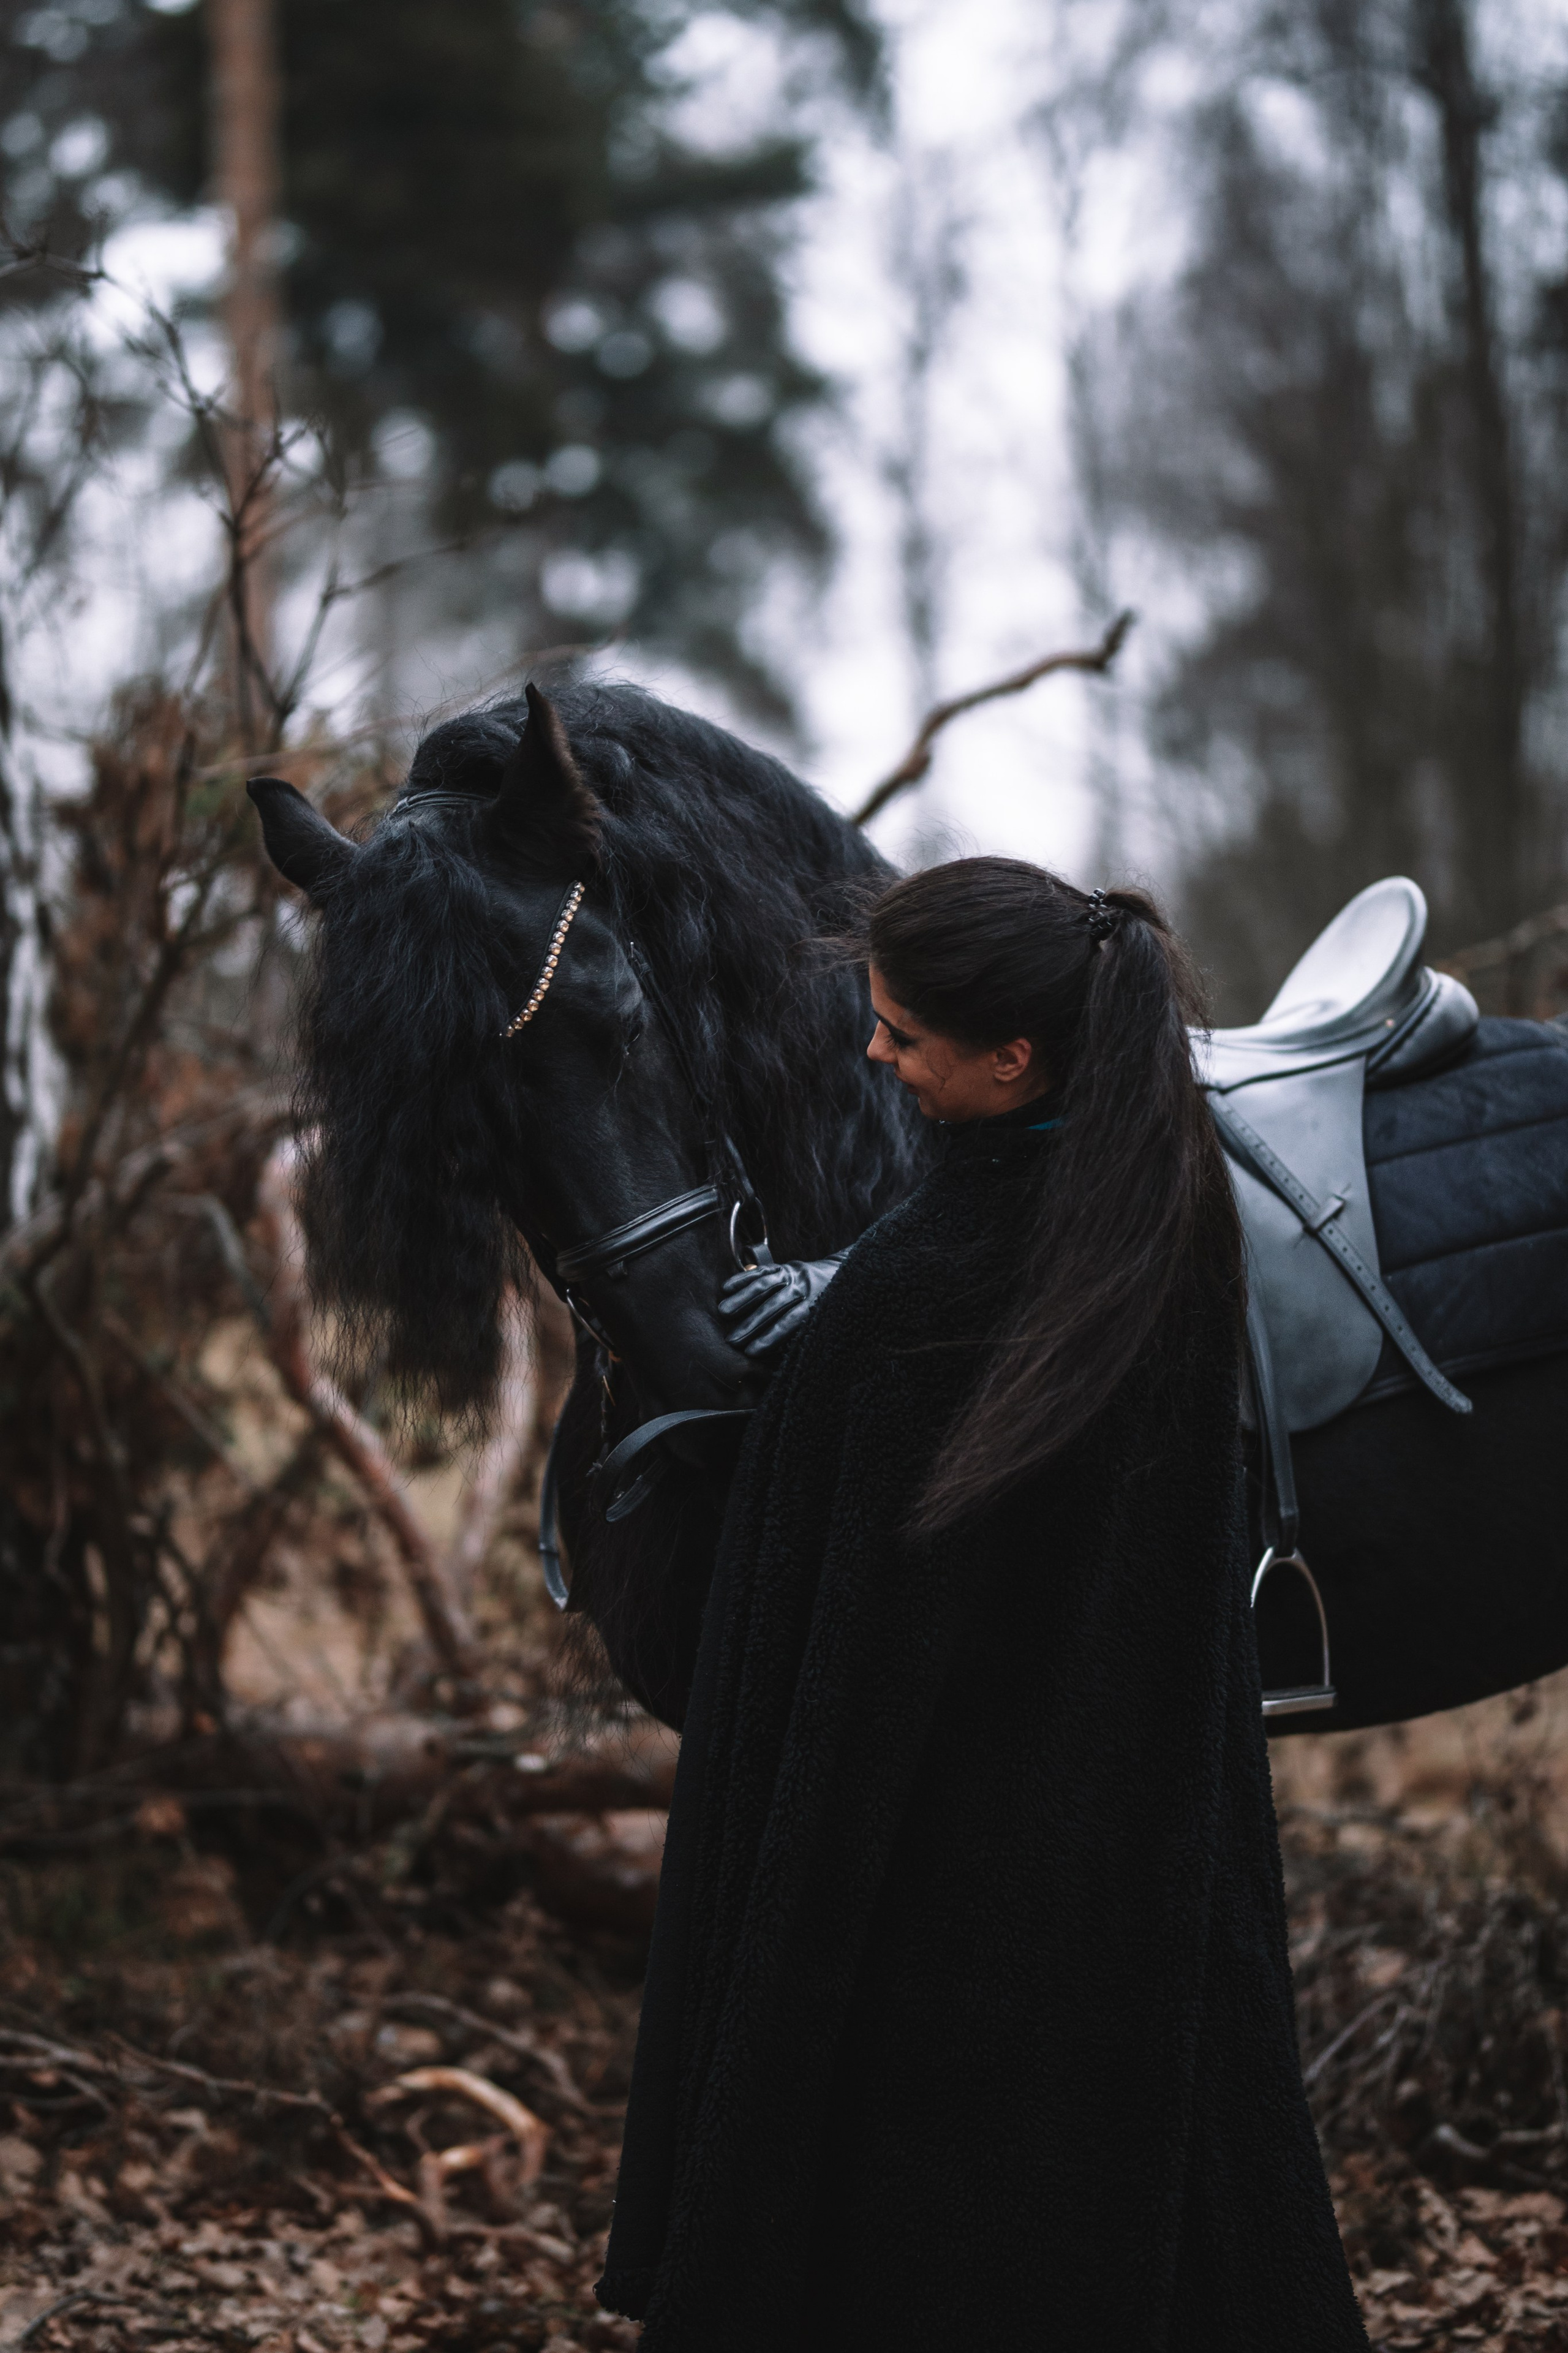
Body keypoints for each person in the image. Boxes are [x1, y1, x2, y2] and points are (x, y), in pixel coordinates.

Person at [595, 857, 1369, 2352]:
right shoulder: (1147, 1215)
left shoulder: (931, 1287)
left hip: (933, 1900)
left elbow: (854, 1660)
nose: (871, 1051)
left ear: (1011, 1059)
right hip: (1126, 1879)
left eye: (901, 1033)